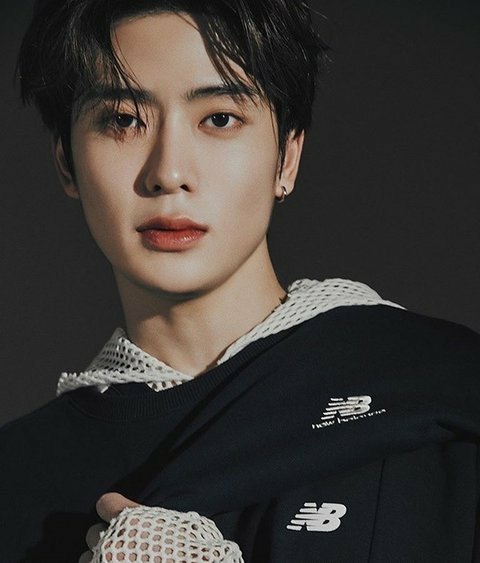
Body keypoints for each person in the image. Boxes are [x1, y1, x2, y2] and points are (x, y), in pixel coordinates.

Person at [2, 0, 480, 561]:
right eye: (124, 120)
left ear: (287, 157)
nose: (169, 173)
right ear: (66, 161)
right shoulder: (18, 476)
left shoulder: (440, 389)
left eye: (219, 119)